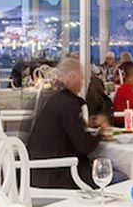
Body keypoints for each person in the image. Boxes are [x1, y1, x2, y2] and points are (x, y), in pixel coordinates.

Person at [28, 58, 109, 189]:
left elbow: (67, 131)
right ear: (72, 77)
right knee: (118, 177)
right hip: (57, 175)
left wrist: (87, 125)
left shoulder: (56, 98)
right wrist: (102, 132)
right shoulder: (69, 104)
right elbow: (83, 147)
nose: (82, 84)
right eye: (81, 79)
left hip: (39, 172)